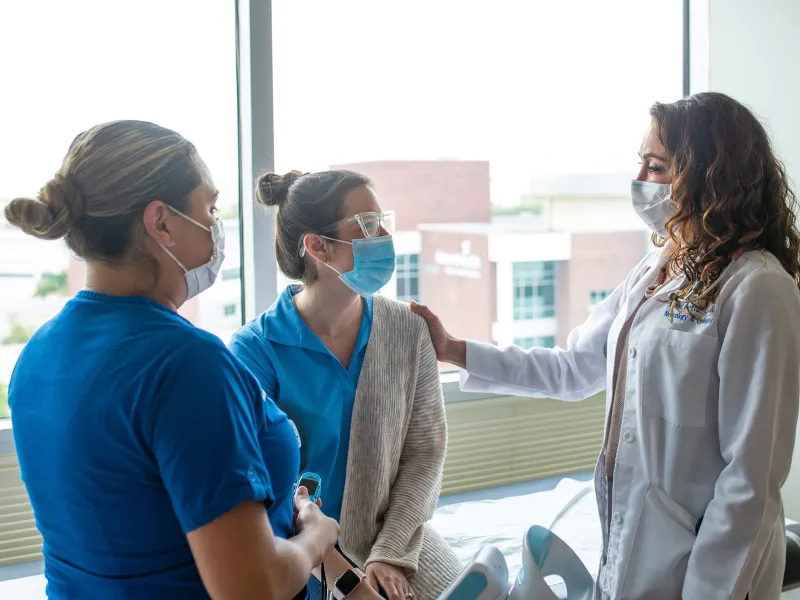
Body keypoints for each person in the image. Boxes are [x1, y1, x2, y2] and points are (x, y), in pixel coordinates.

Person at [412, 92, 800, 600]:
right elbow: (574, 368)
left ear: (709, 173)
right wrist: (455, 350)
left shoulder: (758, 287)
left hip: (707, 572)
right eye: (640, 162)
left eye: (656, 165)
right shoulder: (655, 270)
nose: (640, 178)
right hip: (632, 549)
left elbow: (750, 478)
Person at [5, 120, 339, 600]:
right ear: (161, 222)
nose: (215, 227)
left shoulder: (39, 353)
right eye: (209, 207)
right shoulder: (187, 364)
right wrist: (316, 535)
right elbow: (252, 588)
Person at [229, 170, 463, 600]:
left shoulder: (408, 331)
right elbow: (263, 493)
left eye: (384, 221)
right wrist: (345, 577)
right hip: (301, 551)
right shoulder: (255, 352)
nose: (386, 235)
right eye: (369, 226)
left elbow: (424, 455)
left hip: (391, 540)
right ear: (318, 247)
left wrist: (388, 553)